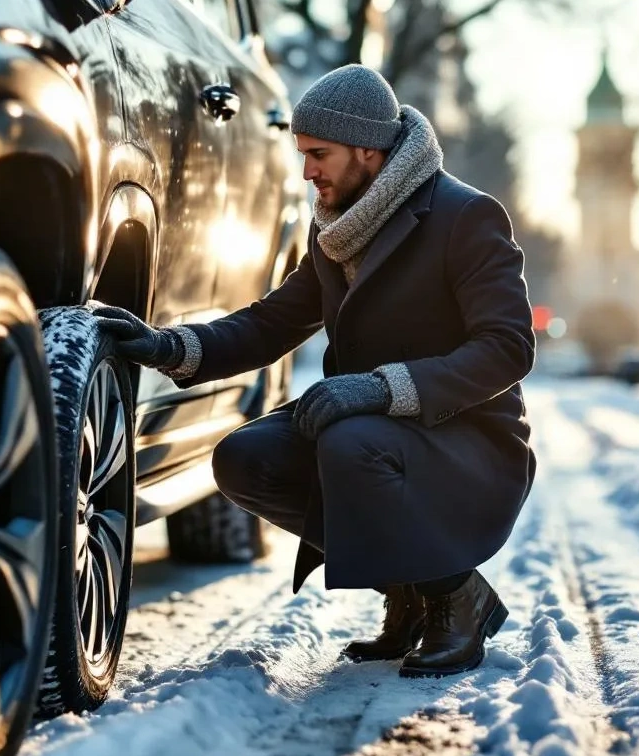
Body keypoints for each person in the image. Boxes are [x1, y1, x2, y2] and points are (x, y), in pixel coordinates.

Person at [94, 64, 537, 678]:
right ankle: (409, 587)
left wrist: (382, 388)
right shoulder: (337, 229)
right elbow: (270, 324)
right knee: (245, 458)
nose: (307, 172)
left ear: (367, 148)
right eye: (303, 154)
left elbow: (508, 347)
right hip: (371, 431)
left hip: (465, 440)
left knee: (349, 443)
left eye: (318, 154)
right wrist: (171, 347)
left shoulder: (466, 216)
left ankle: (456, 595)